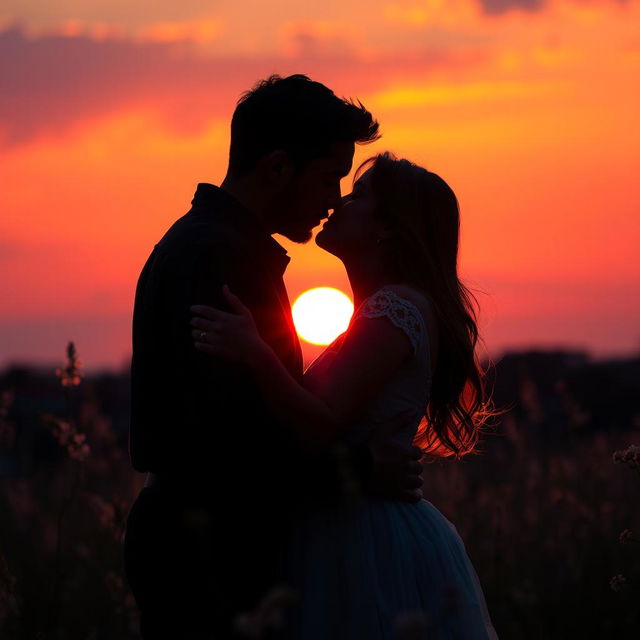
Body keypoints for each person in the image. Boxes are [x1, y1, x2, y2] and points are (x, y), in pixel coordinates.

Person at [124, 75, 425, 639]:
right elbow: (228, 440)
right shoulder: (219, 257)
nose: (334, 200)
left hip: (205, 540)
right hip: (207, 550)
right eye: (328, 179)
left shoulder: (220, 247)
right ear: (278, 169)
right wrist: (363, 472)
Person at [190, 152, 499, 639]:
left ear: (388, 227)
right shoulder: (380, 312)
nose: (337, 203)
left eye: (359, 196)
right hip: (354, 521)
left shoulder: (393, 310)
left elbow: (320, 421)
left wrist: (254, 350)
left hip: (365, 539)